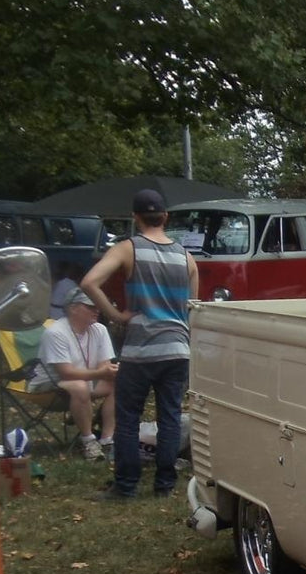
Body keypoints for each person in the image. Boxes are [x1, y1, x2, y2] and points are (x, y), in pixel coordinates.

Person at [80, 188, 199, 499]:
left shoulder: (127, 248)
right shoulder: (187, 258)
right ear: (166, 217)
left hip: (141, 350)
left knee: (128, 418)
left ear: (135, 217)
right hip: (177, 349)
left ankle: (126, 486)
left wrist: (117, 315)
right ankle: (164, 486)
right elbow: (193, 307)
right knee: (170, 418)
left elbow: (89, 283)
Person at [29, 289, 118, 460]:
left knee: (121, 381)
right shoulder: (56, 333)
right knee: (79, 386)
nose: (97, 310)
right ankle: (88, 441)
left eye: (98, 306)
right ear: (72, 308)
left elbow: (104, 366)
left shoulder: (100, 330)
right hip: (49, 387)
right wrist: (102, 372)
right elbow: (66, 373)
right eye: (91, 307)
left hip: (85, 382)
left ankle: (107, 440)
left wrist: (111, 371)